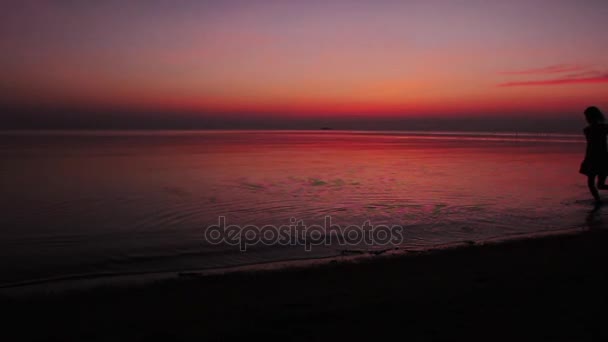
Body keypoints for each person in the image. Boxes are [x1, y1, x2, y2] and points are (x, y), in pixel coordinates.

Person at [579, 106, 608, 204]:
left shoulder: (602, 128)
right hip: (594, 158)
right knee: (595, 184)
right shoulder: (589, 129)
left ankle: (598, 201)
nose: (586, 118)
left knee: (597, 184)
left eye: (587, 116)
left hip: (599, 158)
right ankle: (598, 201)